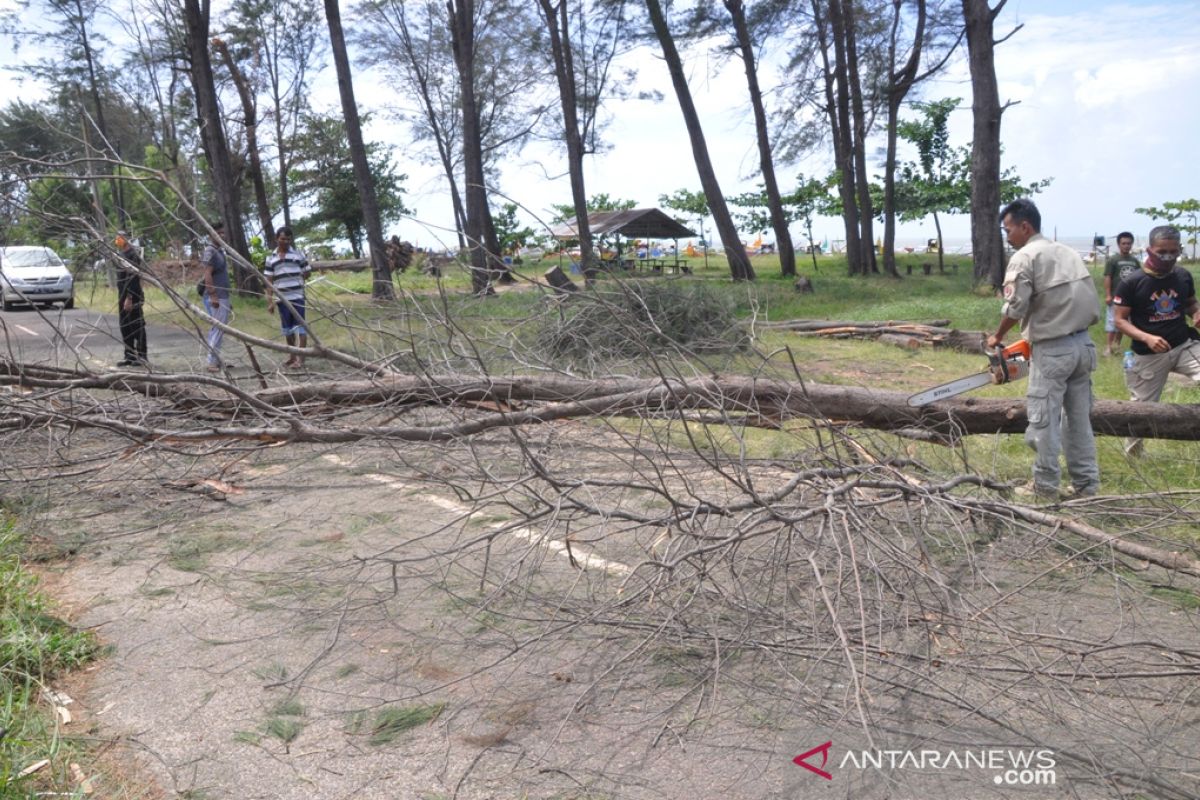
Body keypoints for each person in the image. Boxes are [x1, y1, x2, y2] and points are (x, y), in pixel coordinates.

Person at [987, 199, 1101, 500]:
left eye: (1008, 229)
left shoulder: (1025, 257)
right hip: (1083, 346)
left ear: (1025, 227)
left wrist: (997, 336)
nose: (1007, 236)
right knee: (1078, 421)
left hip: (1053, 350)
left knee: (1043, 421)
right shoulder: (1067, 252)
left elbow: (1016, 306)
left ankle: (1045, 485)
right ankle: (1086, 485)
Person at [1112, 225, 1200, 456]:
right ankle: (1132, 458)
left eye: (1174, 251)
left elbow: (1190, 303)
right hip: (1147, 355)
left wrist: (1197, 313)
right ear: (1150, 250)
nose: (1168, 257)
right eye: (1162, 251)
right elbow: (1120, 320)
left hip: (1183, 345)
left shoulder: (1182, 275)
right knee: (1142, 408)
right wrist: (1147, 337)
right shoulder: (1133, 282)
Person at [263, 225, 311, 369]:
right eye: (283, 239)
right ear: (277, 239)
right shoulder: (271, 258)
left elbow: (307, 272)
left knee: (301, 328)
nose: (286, 242)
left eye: (288, 239)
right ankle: (292, 356)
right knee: (288, 330)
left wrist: (297, 276)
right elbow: (268, 281)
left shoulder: (298, 254)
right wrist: (270, 301)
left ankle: (301, 359)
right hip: (282, 299)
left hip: (297, 297)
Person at [1102, 231, 1140, 356]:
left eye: (1129, 243)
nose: (1126, 246)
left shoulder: (1134, 261)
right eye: (1123, 243)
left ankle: (1116, 345)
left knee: (1123, 323)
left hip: (1130, 299)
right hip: (1115, 297)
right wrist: (1108, 295)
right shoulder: (1113, 260)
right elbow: (1108, 277)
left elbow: (1140, 277)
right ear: (1119, 244)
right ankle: (1108, 347)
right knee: (1112, 322)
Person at [200, 220, 231, 373]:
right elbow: (207, 274)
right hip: (215, 296)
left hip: (223, 295)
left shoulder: (220, 251)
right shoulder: (210, 251)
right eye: (218, 233)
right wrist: (213, 296)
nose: (221, 235)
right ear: (210, 235)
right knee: (218, 328)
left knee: (218, 328)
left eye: (222, 232)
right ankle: (211, 361)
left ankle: (216, 359)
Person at [114, 231, 147, 367]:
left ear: (126, 239)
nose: (117, 240)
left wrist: (129, 297)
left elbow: (133, 278)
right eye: (116, 237)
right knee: (125, 326)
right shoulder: (121, 254)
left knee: (136, 325)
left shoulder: (133, 255)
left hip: (133, 294)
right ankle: (129, 355)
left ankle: (142, 355)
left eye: (119, 237)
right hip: (122, 295)